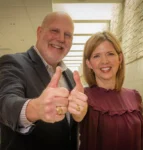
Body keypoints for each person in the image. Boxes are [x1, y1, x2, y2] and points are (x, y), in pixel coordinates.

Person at [0, 11, 88, 150]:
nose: (61, 39)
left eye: (67, 35)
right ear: (39, 32)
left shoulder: (70, 75)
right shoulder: (13, 62)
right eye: (54, 30)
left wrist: (79, 114)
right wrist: (36, 108)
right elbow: (5, 102)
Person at [79, 31, 143, 150]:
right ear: (89, 63)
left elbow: (142, 141)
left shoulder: (134, 97)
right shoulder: (83, 97)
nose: (105, 61)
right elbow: (76, 115)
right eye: (96, 56)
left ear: (119, 58)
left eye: (110, 54)